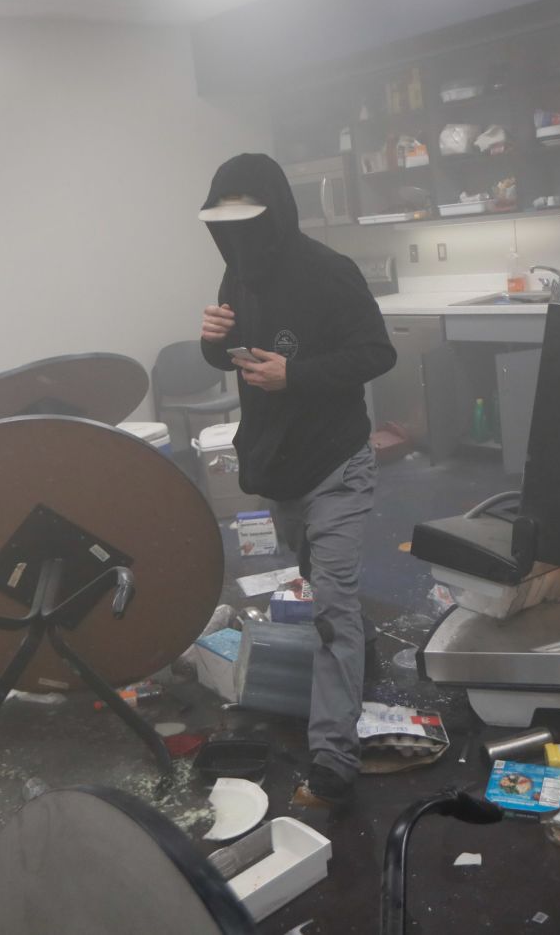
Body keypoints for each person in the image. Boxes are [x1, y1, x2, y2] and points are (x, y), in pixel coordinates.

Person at [197, 153, 397, 806]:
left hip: (336, 464)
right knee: (322, 590)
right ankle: (355, 658)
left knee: (331, 606)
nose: (236, 235)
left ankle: (334, 752)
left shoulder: (329, 273)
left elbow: (376, 351)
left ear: (274, 212)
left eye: (245, 218)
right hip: (279, 468)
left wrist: (295, 374)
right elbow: (234, 357)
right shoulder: (237, 276)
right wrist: (211, 340)